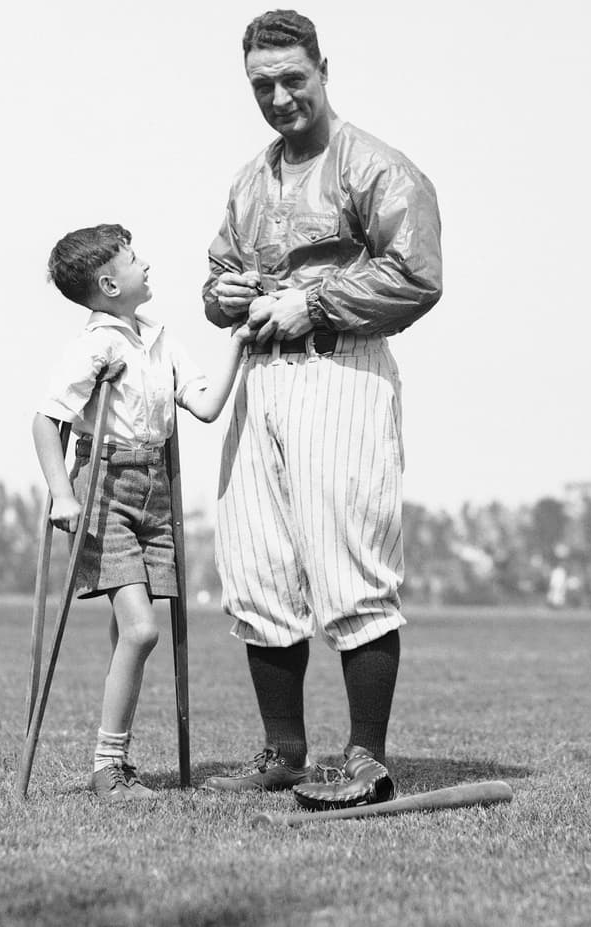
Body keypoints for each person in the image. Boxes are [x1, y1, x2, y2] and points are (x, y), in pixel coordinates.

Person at [199, 10, 442, 810]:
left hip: (340, 368)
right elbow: (216, 278)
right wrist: (224, 293)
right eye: (261, 85)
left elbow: (416, 274)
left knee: (349, 563)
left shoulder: (374, 165)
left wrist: (316, 301)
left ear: (323, 69)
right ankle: (284, 751)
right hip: (260, 376)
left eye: (292, 79)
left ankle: (366, 756)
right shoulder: (250, 180)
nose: (279, 97)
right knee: (257, 568)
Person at [34, 223, 251, 801]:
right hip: (105, 488)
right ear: (109, 284)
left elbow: (205, 406)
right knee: (142, 630)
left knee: (128, 633)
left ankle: (116, 760)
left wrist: (239, 342)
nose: (146, 265)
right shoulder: (95, 346)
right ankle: (108, 766)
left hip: (156, 489)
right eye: (134, 260)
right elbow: (46, 421)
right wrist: (61, 493)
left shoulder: (159, 339)